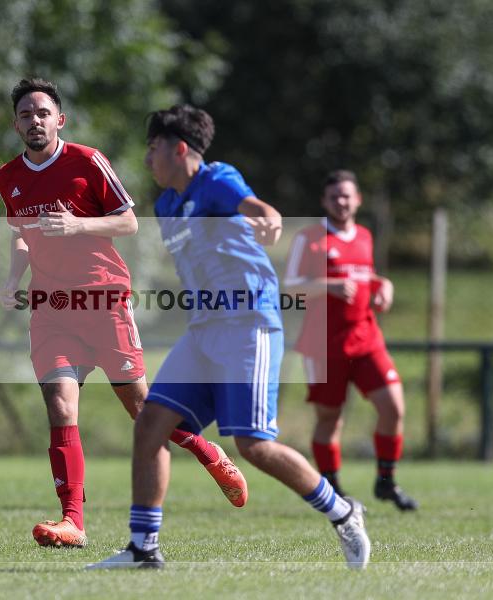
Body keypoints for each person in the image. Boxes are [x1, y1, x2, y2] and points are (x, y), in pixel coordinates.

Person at [88, 105, 370, 570]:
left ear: (180, 149)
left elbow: (258, 209)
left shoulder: (217, 179)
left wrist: (269, 218)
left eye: (153, 148)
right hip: (204, 330)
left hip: (248, 326)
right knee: (150, 425)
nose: (147, 159)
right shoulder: (166, 206)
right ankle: (143, 548)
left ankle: (342, 512)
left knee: (253, 446)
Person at [0, 79, 248, 548]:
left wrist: (76, 225)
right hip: (52, 308)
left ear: (59, 120)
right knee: (60, 405)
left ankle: (206, 450)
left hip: (102, 299)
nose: (35, 121)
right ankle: (73, 521)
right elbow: (21, 235)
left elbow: (129, 222)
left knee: (141, 409)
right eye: (26, 114)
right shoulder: (8, 176)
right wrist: (12, 279)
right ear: (16, 125)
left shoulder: (87, 162)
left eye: (43, 113)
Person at [283, 170, 418, 511]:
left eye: (346, 195)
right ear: (324, 202)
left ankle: (386, 481)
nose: (340, 202)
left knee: (393, 407)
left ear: (358, 199)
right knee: (330, 418)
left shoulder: (365, 237)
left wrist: (383, 285)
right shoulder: (310, 238)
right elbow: (291, 286)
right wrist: (329, 286)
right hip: (324, 344)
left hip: (366, 337)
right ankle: (332, 489)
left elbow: (364, 275)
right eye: (334, 197)